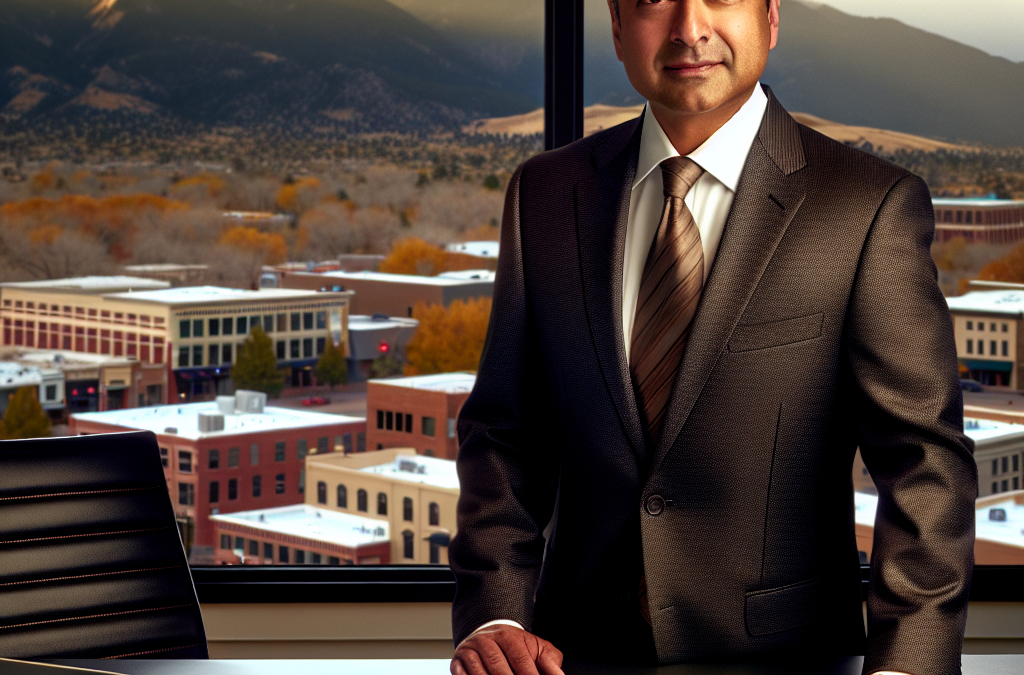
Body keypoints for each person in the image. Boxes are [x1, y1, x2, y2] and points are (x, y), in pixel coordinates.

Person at [449, 1, 977, 674]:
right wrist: (497, 615)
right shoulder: (546, 193)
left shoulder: (867, 205)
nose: (687, 28)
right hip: (566, 658)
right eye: (651, 1)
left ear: (771, 17)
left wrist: (907, 665)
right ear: (616, 27)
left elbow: (924, 466)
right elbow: (504, 434)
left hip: (791, 661)